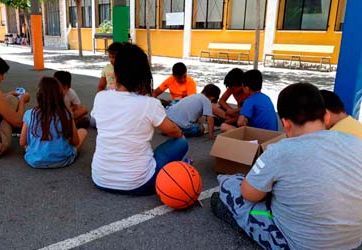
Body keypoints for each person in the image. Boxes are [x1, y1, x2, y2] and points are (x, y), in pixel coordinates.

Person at [211, 82, 362, 249]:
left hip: (301, 245)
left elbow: (249, 195)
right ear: (326, 117)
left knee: (231, 183)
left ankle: (232, 214)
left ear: (286, 124)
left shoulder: (280, 150)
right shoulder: (355, 142)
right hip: (353, 242)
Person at [91, 43, 188, 195]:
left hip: (100, 179)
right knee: (181, 142)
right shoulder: (149, 104)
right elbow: (174, 132)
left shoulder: (100, 98)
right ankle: (179, 169)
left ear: (115, 74)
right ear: (144, 76)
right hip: (140, 183)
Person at [20, 77, 87, 168]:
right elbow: (75, 142)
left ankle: (38, 153)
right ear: (60, 95)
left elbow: (22, 142)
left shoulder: (29, 114)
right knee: (83, 131)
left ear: (39, 95)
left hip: (34, 160)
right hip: (63, 160)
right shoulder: (66, 114)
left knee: (29, 146)